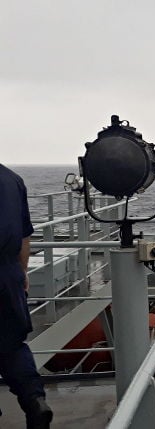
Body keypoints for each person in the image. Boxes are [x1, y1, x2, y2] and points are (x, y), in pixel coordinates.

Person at [0, 164, 53, 428]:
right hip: (8, 275)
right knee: (12, 345)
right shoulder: (12, 179)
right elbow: (24, 237)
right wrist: (21, 273)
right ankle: (35, 401)